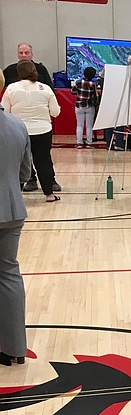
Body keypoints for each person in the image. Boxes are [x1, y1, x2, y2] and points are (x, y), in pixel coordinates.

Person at [3, 42, 60, 193]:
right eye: (21, 52)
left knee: (39, 158)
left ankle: (46, 182)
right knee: (25, 159)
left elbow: (5, 110)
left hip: (29, 127)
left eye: (26, 52)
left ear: (31, 54)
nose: (23, 55)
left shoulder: (41, 76)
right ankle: (35, 183)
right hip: (23, 128)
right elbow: (55, 111)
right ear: (17, 54)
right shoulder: (9, 73)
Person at [0, 102, 31, 366]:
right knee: (9, 274)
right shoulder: (17, 124)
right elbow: (25, 172)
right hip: (11, 210)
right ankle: (15, 347)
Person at [70, 66, 98, 149]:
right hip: (90, 106)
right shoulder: (94, 84)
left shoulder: (78, 82)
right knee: (89, 126)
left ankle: (79, 143)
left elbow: (73, 91)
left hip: (79, 106)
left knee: (79, 125)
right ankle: (89, 143)